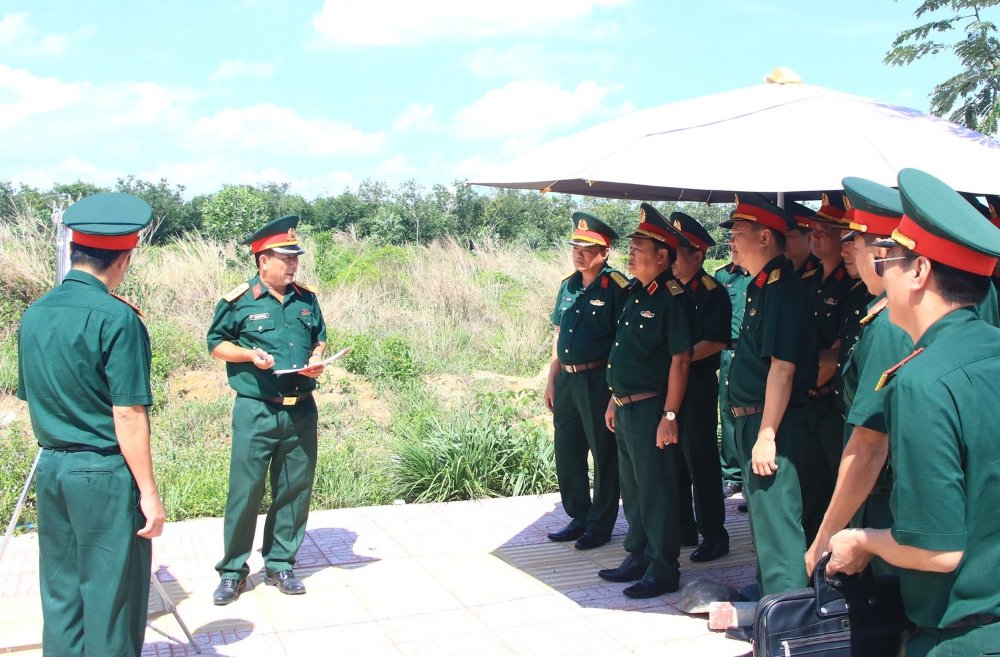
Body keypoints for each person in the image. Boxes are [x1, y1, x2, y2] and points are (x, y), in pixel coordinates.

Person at [827, 168, 1000, 656]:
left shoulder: (922, 381)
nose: (879, 272)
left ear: (920, 271)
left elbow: (937, 550)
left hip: (963, 636)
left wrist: (861, 539)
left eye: (888, 261)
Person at [16, 192, 166, 657]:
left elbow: (33, 396)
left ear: (77, 250)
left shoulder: (35, 312)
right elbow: (127, 412)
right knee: (112, 599)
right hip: (102, 475)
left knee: (62, 593)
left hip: (53, 468)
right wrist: (149, 493)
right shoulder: (117, 318)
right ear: (124, 258)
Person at [207, 215, 327, 605]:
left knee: (294, 490)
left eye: (296, 258)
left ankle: (280, 564)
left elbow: (320, 339)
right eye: (285, 258)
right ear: (262, 261)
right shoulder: (239, 301)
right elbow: (216, 344)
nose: (293, 265)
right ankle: (232, 571)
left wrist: (317, 359)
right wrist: (247, 355)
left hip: (300, 410)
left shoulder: (306, 300)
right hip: (256, 409)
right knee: (245, 491)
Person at [803, 177, 912, 579]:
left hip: (885, 495)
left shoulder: (888, 325)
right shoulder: (884, 313)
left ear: (883, 253)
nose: (849, 250)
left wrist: (826, 536)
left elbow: (868, 447)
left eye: (856, 242)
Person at [722, 193, 817, 599]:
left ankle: (787, 622)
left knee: (779, 528)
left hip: (770, 422)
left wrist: (767, 434)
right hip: (751, 418)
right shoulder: (759, 286)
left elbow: (783, 368)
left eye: (739, 233)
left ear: (765, 237)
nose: (731, 241)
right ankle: (770, 603)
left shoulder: (782, 288)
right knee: (764, 524)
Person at [597, 203, 693, 599]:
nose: (631, 252)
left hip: (652, 408)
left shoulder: (672, 297)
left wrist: (669, 414)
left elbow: (681, 360)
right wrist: (612, 401)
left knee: (655, 490)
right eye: (633, 245)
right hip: (625, 405)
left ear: (663, 256)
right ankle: (637, 554)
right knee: (633, 489)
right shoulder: (636, 293)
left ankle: (663, 567)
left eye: (639, 246)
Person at [544, 212, 628, 550]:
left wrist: (615, 391)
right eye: (576, 246)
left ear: (604, 252)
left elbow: (624, 342)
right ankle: (578, 514)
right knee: (567, 450)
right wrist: (551, 379)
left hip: (597, 380)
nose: (579, 253)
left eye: (587, 248)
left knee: (603, 452)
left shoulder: (617, 287)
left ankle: (600, 523)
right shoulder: (568, 285)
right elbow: (559, 333)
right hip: (566, 379)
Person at [669, 211, 732, 562]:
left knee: (701, 460)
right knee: (673, 457)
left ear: (698, 255)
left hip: (696, 385)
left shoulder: (712, 292)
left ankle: (714, 534)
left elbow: (716, 341)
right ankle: (683, 526)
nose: (673, 259)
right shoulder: (670, 291)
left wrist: (678, 358)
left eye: (679, 253)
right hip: (670, 384)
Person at [714, 260, 749, 501]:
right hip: (729, 350)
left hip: (754, 352)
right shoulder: (722, 274)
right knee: (727, 412)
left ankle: (750, 480)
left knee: (752, 414)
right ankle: (732, 475)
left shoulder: (760, 272)